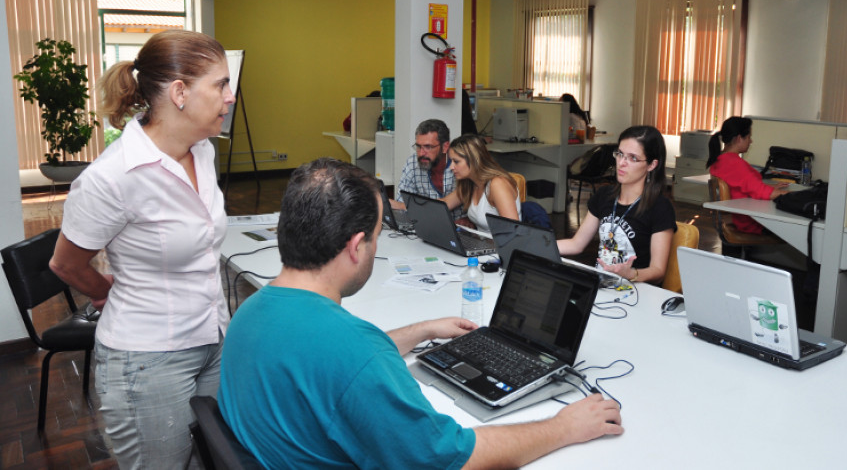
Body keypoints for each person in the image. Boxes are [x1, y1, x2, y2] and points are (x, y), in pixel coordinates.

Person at [218, 158, 623, 469]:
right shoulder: (356, 355)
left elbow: (330, 359)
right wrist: (562, 427)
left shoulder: (251, 311)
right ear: (356, 246)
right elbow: (454, 457)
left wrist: (423, 329)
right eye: (377, 236)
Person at [49, 30, 235, 469]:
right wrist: (106, 290)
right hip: (148, 358)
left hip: (213, 338)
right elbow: (66, 264)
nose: (230, 97)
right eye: (221, 85)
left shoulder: (202, 152)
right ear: (179, 93)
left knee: (213, 460)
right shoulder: (112, 177)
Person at [558, 125, 676, 284]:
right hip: (602, 285)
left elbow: (658, 270)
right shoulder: (604, 196)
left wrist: (630, 273)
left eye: (633, 158)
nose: (621, 163)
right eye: (620, 154)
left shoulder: (660, 208)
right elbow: (576, 244)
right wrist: (537, 245)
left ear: (651, 165)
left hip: (635, 289)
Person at [706, 116, 788, 234]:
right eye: (749, 137)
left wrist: (770, 188)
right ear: (739, 138)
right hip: (750, 223)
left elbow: (743, 187)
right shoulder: (735, 164)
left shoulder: (719, 160)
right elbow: (762, 193)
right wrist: (795, 195)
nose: (751, 141)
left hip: (740, 217)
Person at [442, 133, 521, 232]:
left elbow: (513, 231)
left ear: (474, 160)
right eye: (451, 161)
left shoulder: (497, 184)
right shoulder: (469, 183)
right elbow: (444, 204)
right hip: (480, 240)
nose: (451, 167)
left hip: (499, 242)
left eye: (456, 162)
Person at [392, 119, 456, 209]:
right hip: (423, 218)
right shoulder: (412, 164)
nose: (421, 153)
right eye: (418, 146)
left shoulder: (460, 164)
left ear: (445, 147)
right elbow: (402, 205)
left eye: (428, 147)